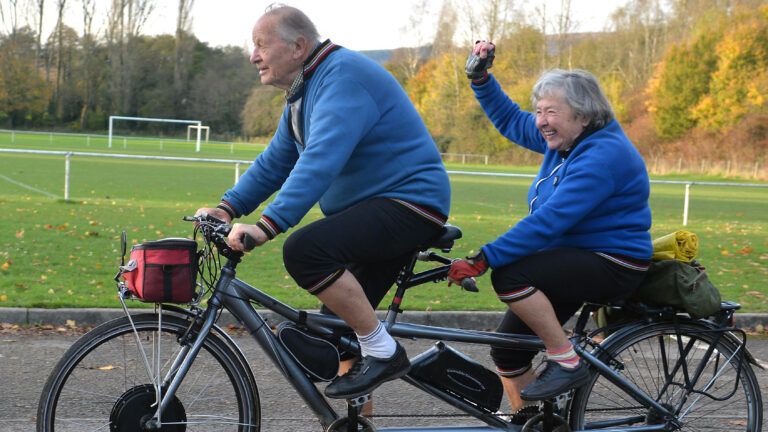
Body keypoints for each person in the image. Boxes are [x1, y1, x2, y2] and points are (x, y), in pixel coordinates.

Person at [195, 5, 450, 400]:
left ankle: (385, 353)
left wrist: (267, 226)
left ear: (298, 46)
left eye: (261, 45)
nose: (253, 55)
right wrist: (227, 208)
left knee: (305, 251)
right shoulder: (304, 89)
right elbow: (277, 160)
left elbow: (320, 160)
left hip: (409, 204)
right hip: (374, 209)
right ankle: (355, 407)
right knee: (339, 337)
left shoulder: (341, 77)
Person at [449, 41, 652, 422]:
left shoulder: (603, 155)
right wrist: (480, 79)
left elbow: (550, 221)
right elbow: (511, 119)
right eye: (540, 111)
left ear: (584, 116)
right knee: (509, 351)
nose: (541, 120)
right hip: (576, 256)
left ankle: (567, 360)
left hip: (614, 261)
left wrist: (485, 257)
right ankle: (536, 424)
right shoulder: (565, 139)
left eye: (551, 112)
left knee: (511, 274)